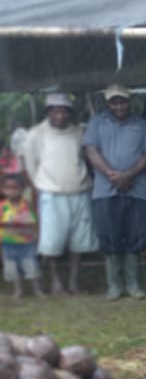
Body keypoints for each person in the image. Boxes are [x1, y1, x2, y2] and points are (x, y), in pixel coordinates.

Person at [82, 84, 146, 300]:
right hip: (105, 190)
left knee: (135, 234)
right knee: (109, 235)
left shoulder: (142, 125)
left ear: (129, 102)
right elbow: (90, 151)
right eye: (114, 102)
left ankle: (133, 284)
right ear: (108, 103)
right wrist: (112, 175)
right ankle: (114, 285)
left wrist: (129, 175)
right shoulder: (96, 123)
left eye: (122, 101)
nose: (119, 106)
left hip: (136, 189)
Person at [21, 93, 97, 294]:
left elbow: (86, 157)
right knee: (52, 242)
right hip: (51, 194)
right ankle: (56, 282)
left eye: (64, 111)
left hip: (79, 191)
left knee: (78, 242)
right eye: (56, 111)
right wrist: (40, 185)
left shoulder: (79, 132)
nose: (60, 116)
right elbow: (30, 164)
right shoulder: (36, 134)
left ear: (70, 113)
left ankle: (73, 282)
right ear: (49, 112)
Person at [1, 172, 43, 298]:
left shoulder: (26, 205)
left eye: (15, 188)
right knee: (12, 268)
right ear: (2, 189)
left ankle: (37, 290)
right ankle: (18, 290)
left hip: (26, 242)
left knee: (31, 265)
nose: (12, 191)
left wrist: (36, 237)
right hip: (7, 243)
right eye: (8, 188)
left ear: (22, 189)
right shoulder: (2, 207)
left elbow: (33, 222)